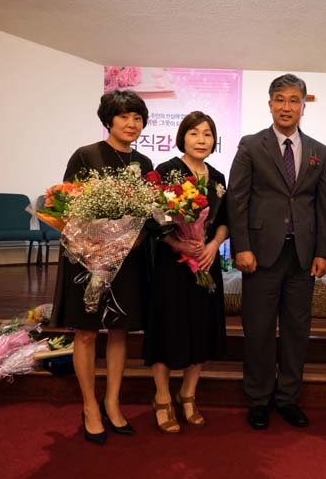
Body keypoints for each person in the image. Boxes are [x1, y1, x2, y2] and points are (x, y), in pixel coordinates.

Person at [227, 73, 326, 430]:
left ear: (303, 106)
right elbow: (237, 200)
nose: (287, 107)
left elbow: (323, 204)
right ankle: (258, 399)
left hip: (302, 255)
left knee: (297, 330)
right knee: (258, 329)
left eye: (294, 100)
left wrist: (323, 251)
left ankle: (288, 398)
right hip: (260, 254)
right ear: (270, 104)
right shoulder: (251, 145)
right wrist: (242, 247)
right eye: (280, 100)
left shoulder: (318, 150)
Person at [51, 89, 154, 444]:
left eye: (137, 118)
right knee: (87, 332)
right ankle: (90, 406)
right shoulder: (86, 155)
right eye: (124, 116)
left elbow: (148, 215)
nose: (131, 123)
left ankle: (112, 402)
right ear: (108, 120)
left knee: (120, 331)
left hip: (126, 260)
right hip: (86, 259)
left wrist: (134, 238)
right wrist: (94, 245)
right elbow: (66, 205)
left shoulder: (144, 163)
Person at [143, 111, 228, 433]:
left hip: (205, 261)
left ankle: (188, 394)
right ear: (182, 137)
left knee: (201, 328)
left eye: (207, 134)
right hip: (172, 266)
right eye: (194, 133)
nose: (201, 140)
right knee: (168, 327)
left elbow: (225, 221)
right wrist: (178, 244)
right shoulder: (167, 171)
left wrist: (213, 245)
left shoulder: (217, 177)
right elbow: (153, 220)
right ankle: (162, 396)